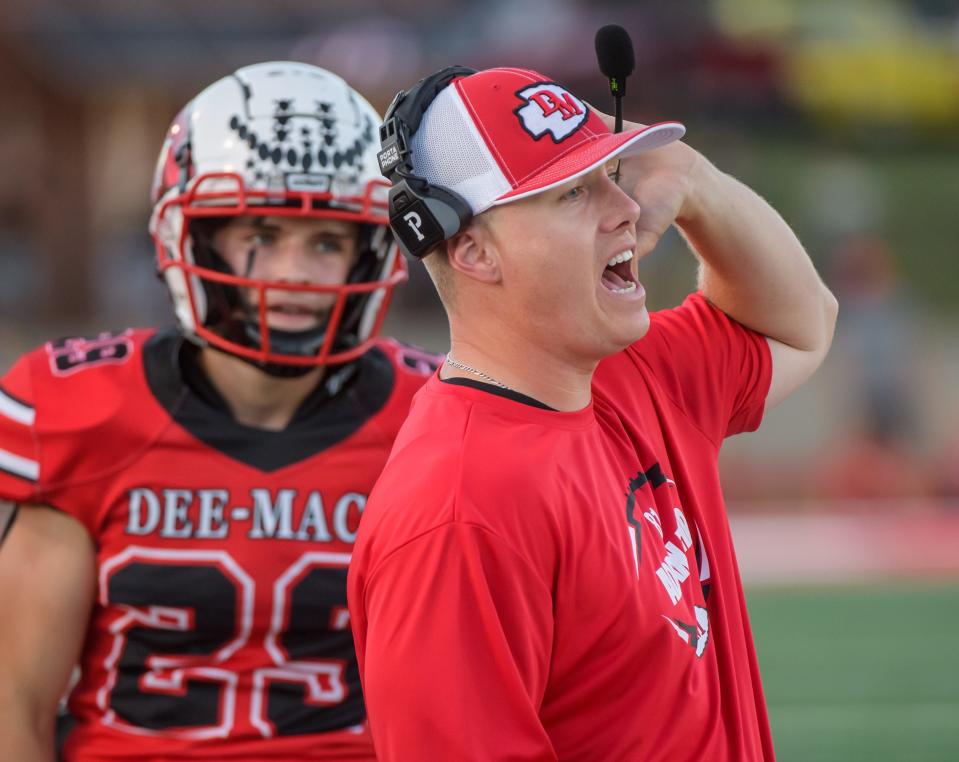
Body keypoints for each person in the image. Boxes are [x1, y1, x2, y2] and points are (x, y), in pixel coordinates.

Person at [347, 66, 838, 760]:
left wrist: (690, 178)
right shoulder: (457, 507)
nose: (626, 209)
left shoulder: (627, 376)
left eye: (613, 173)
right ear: (473, 251)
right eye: (573, 192)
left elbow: (803, 323)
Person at [0, 61, 440, 761]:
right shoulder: (84, 413)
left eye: (326, 242)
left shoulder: (433, 421)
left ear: (371, 252)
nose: (294, 272)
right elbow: (14, 708)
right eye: (261, 235)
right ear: (194, 236)